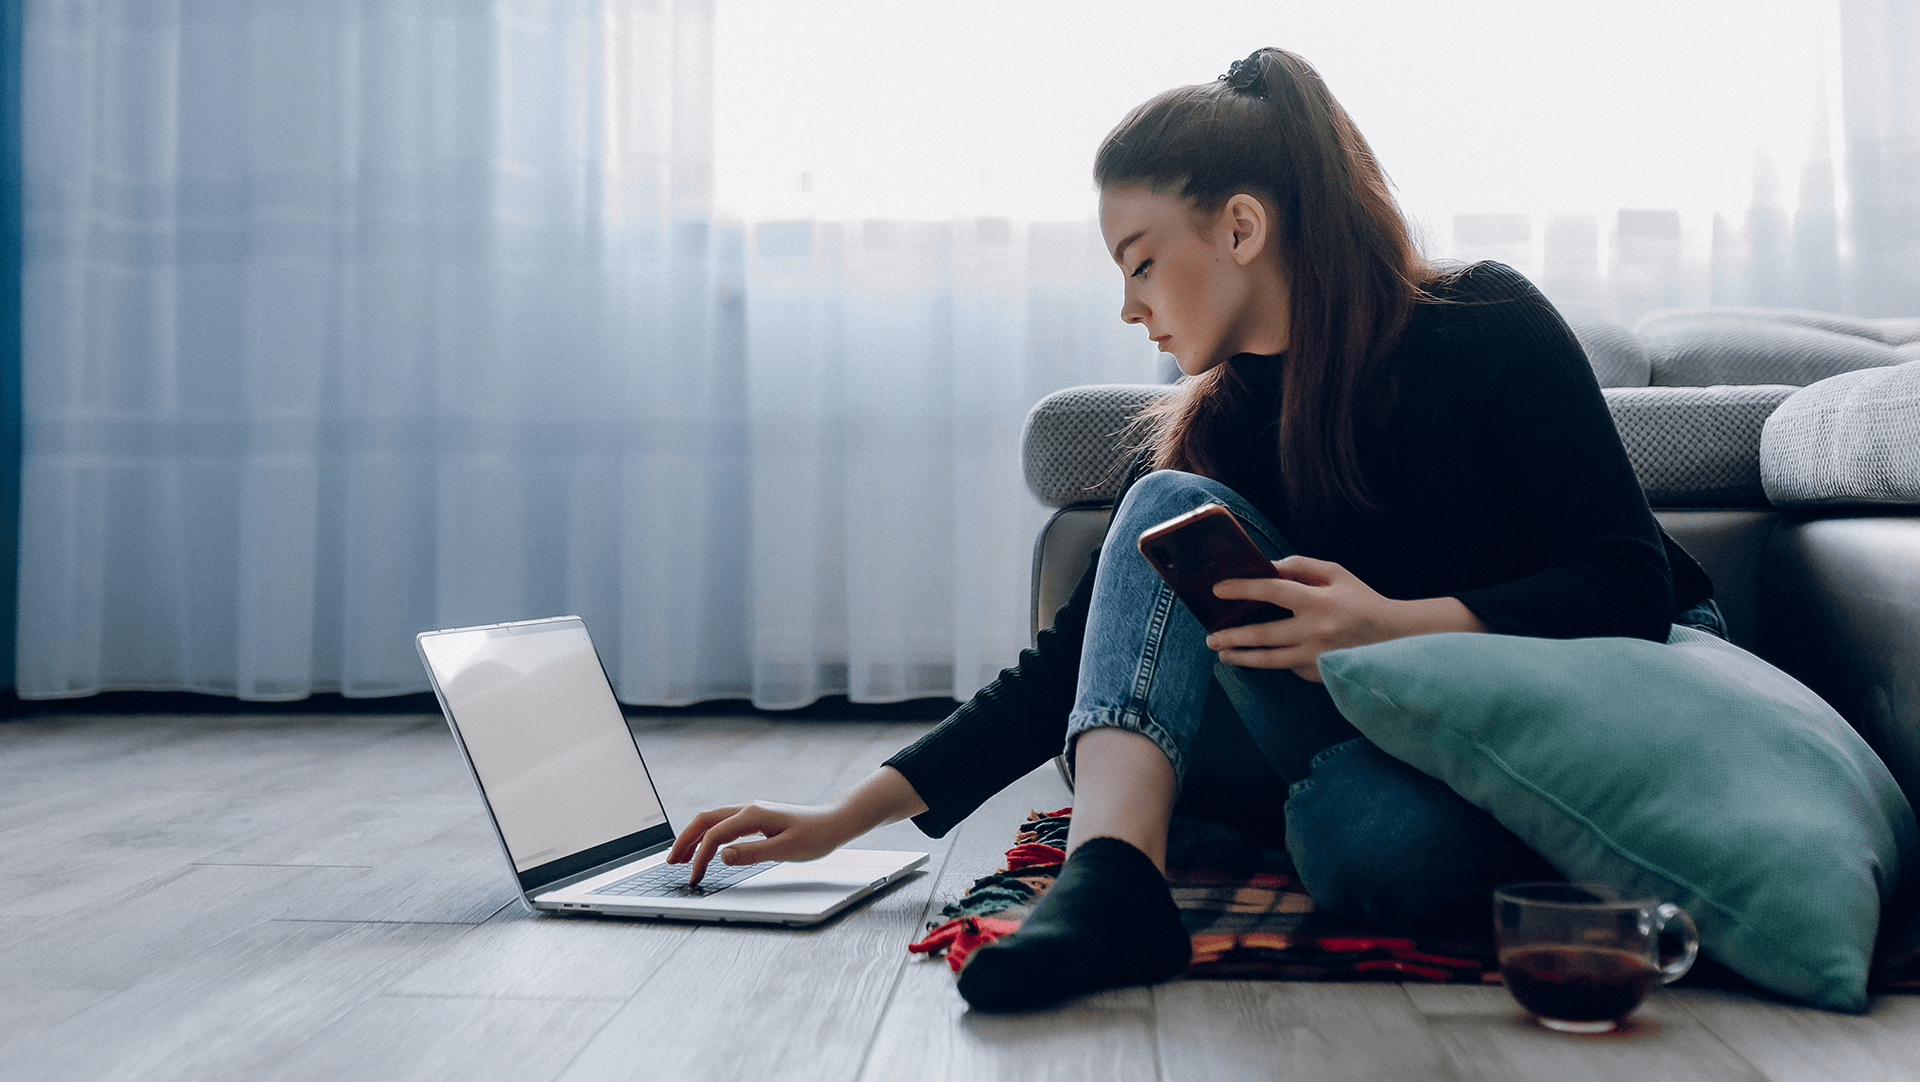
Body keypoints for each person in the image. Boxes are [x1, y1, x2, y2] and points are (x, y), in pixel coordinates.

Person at [666, 47, 1719, 1011]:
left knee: (1364, 848)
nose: (1130, 306)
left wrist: (1389, 624)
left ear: (1241, 227)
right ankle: (1113, 877)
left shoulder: (1482, 322)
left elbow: (1626, 580)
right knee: (1344, 814)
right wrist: (838, 815)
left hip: (1574, 696)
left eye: (1140, 261)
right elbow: (1067, 667)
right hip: (1398, 718)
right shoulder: (1211, 422)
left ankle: (1218, 817)